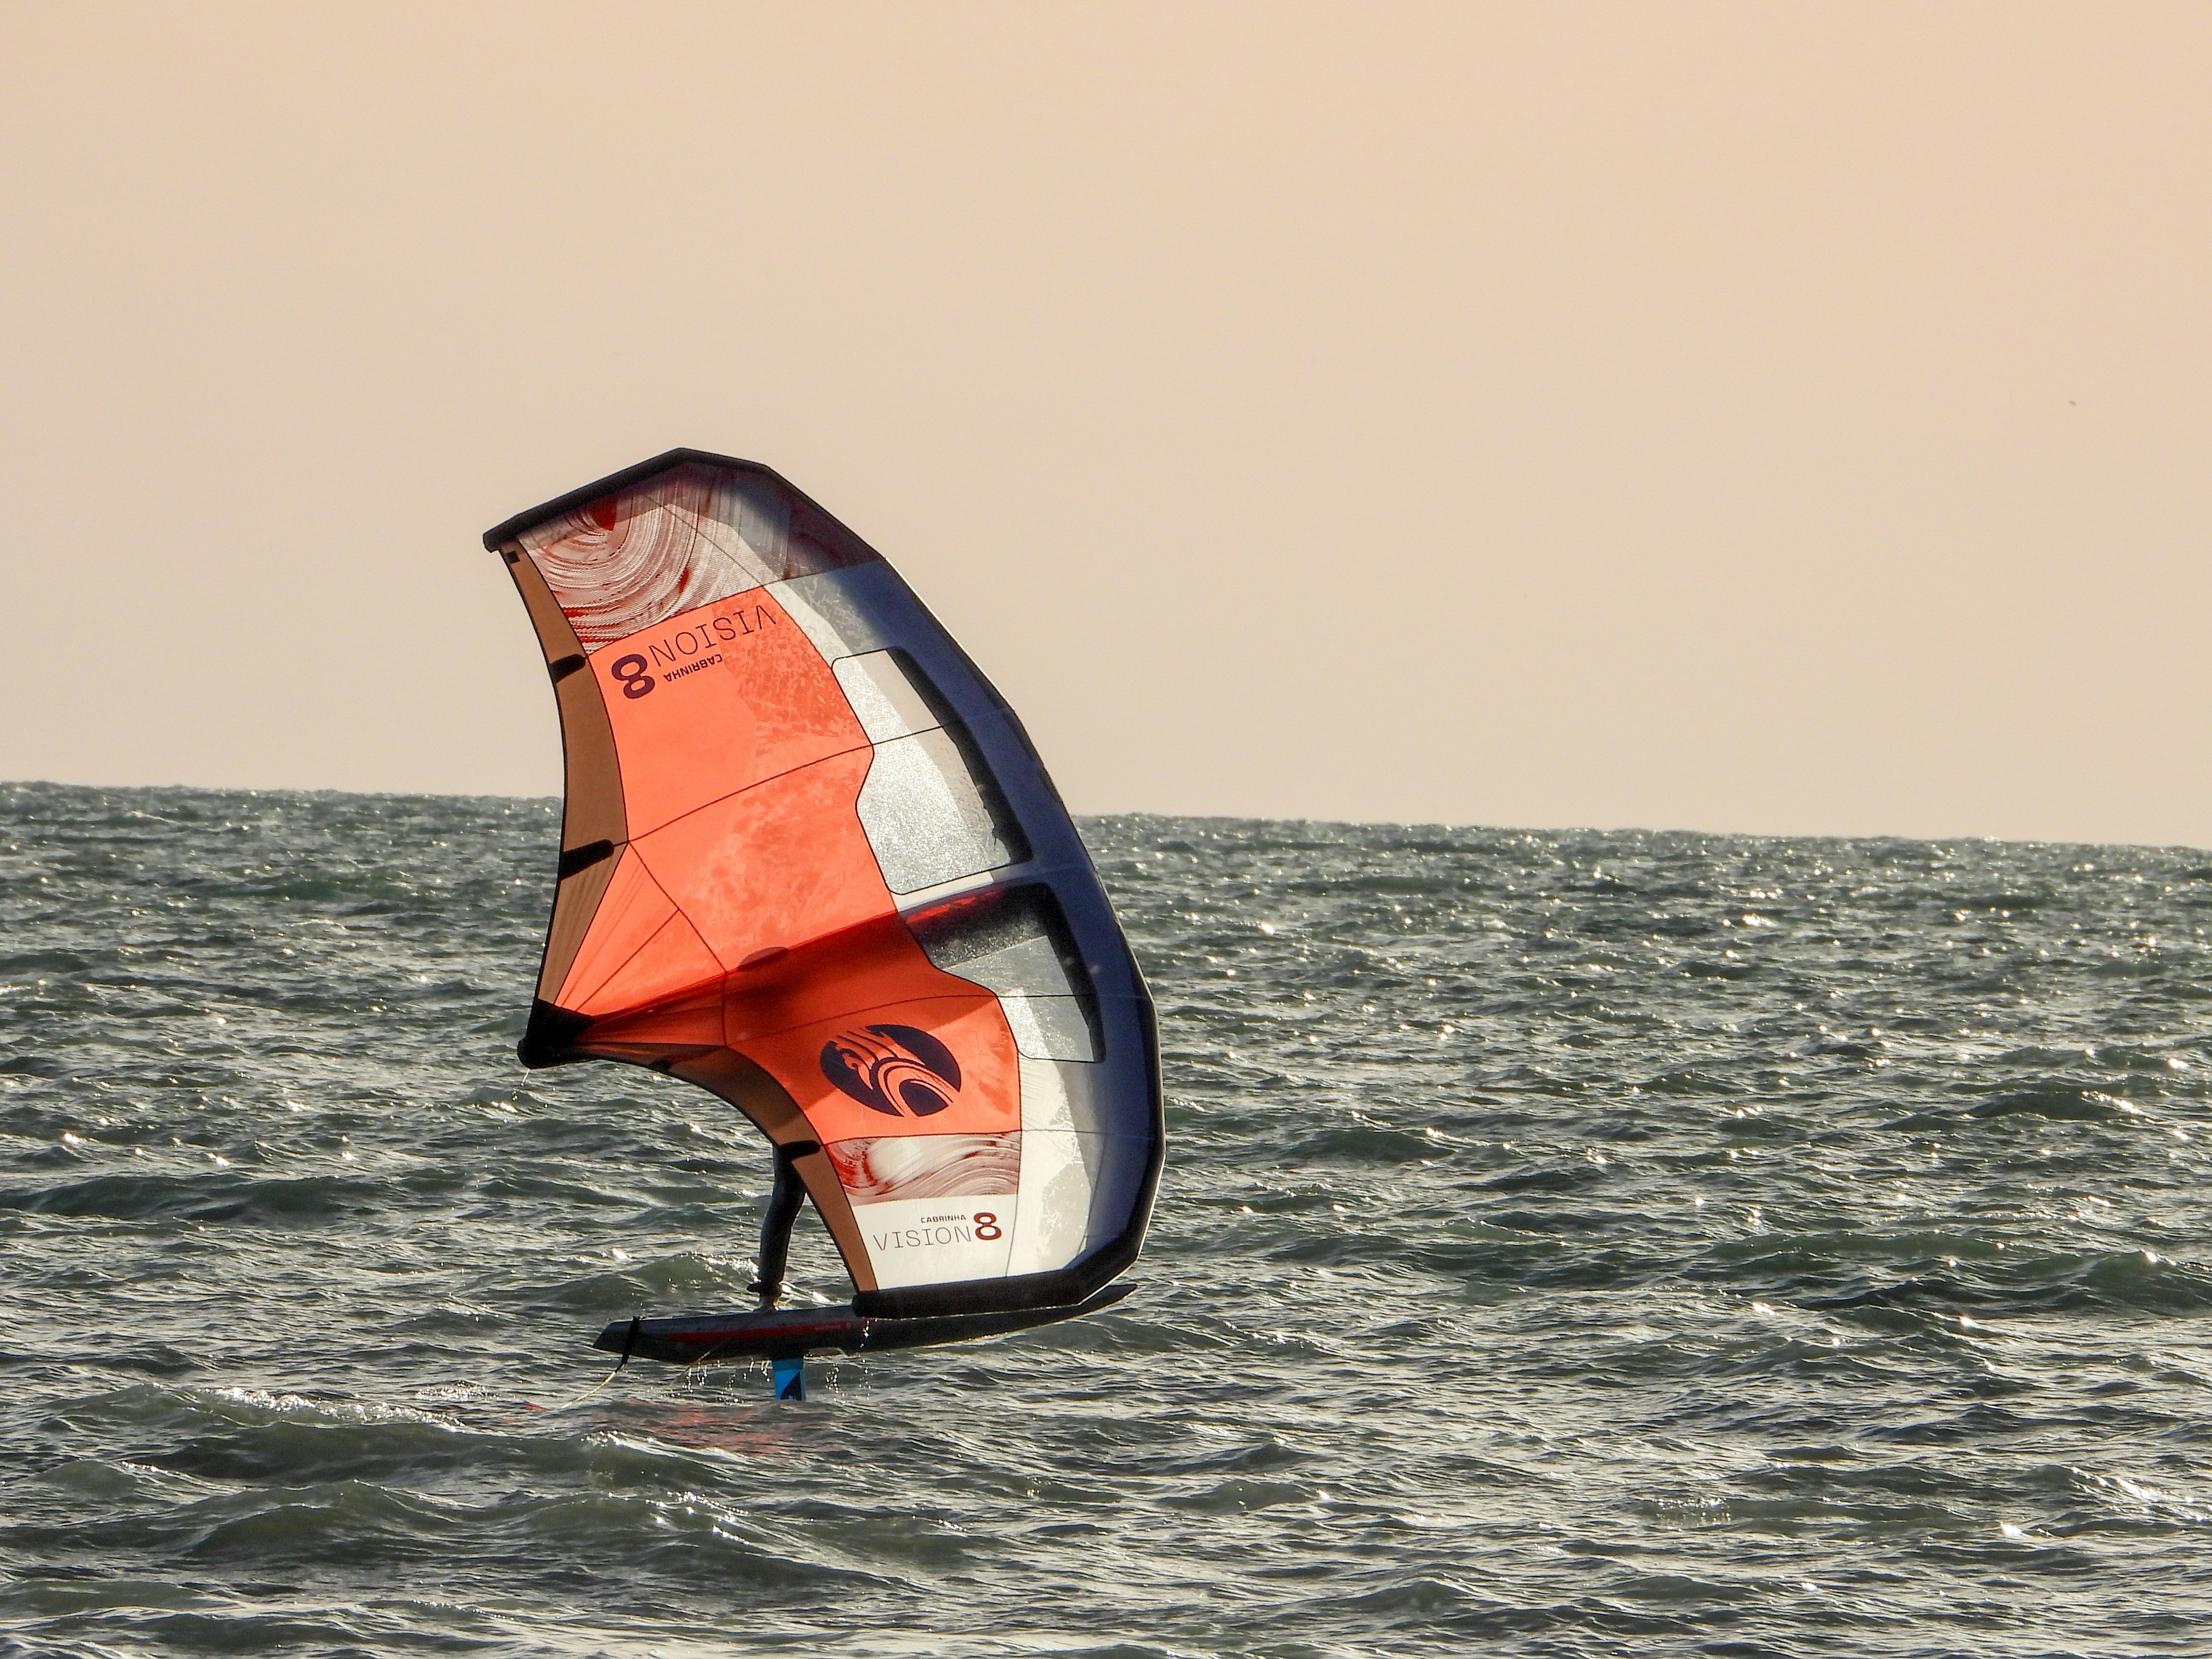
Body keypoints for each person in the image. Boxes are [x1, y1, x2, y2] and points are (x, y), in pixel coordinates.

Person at [748, 1139, 819, 1308]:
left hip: (799, 1130)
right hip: (797, 1131)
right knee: (787, 1197)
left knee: (787, 1198)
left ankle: (768, 1293)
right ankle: (768, 1293)